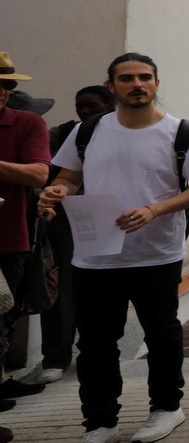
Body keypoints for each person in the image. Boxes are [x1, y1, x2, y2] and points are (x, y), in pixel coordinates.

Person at [38, 53, 189, 443]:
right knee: (96, 341)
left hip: (155, 252)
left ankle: (167, 407)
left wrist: (155, 210)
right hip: (96, 251)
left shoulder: (180, 132)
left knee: (162, 331)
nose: (137, 84)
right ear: (112, 84)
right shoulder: (88, 130)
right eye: (127, 78)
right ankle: (99, 424)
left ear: (156, 82)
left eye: (144, 77)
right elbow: (67, 177)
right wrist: (57, 192)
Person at [25, 85, 117, 387]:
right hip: (64, 217)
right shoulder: (63, 134)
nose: (86, 111)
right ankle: (55, 357)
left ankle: (97, 350)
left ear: (110, 105)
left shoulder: (123, 134)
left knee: (103, 287)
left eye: (93, 106)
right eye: (81, 106)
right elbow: (47, 168)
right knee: (61, 285)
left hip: (109, 215)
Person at [0, 52, 51, 425]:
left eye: (7, 85)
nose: (3, 91)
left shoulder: (29, 123)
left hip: (7, 237)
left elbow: (38, 175)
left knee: (3, 316)